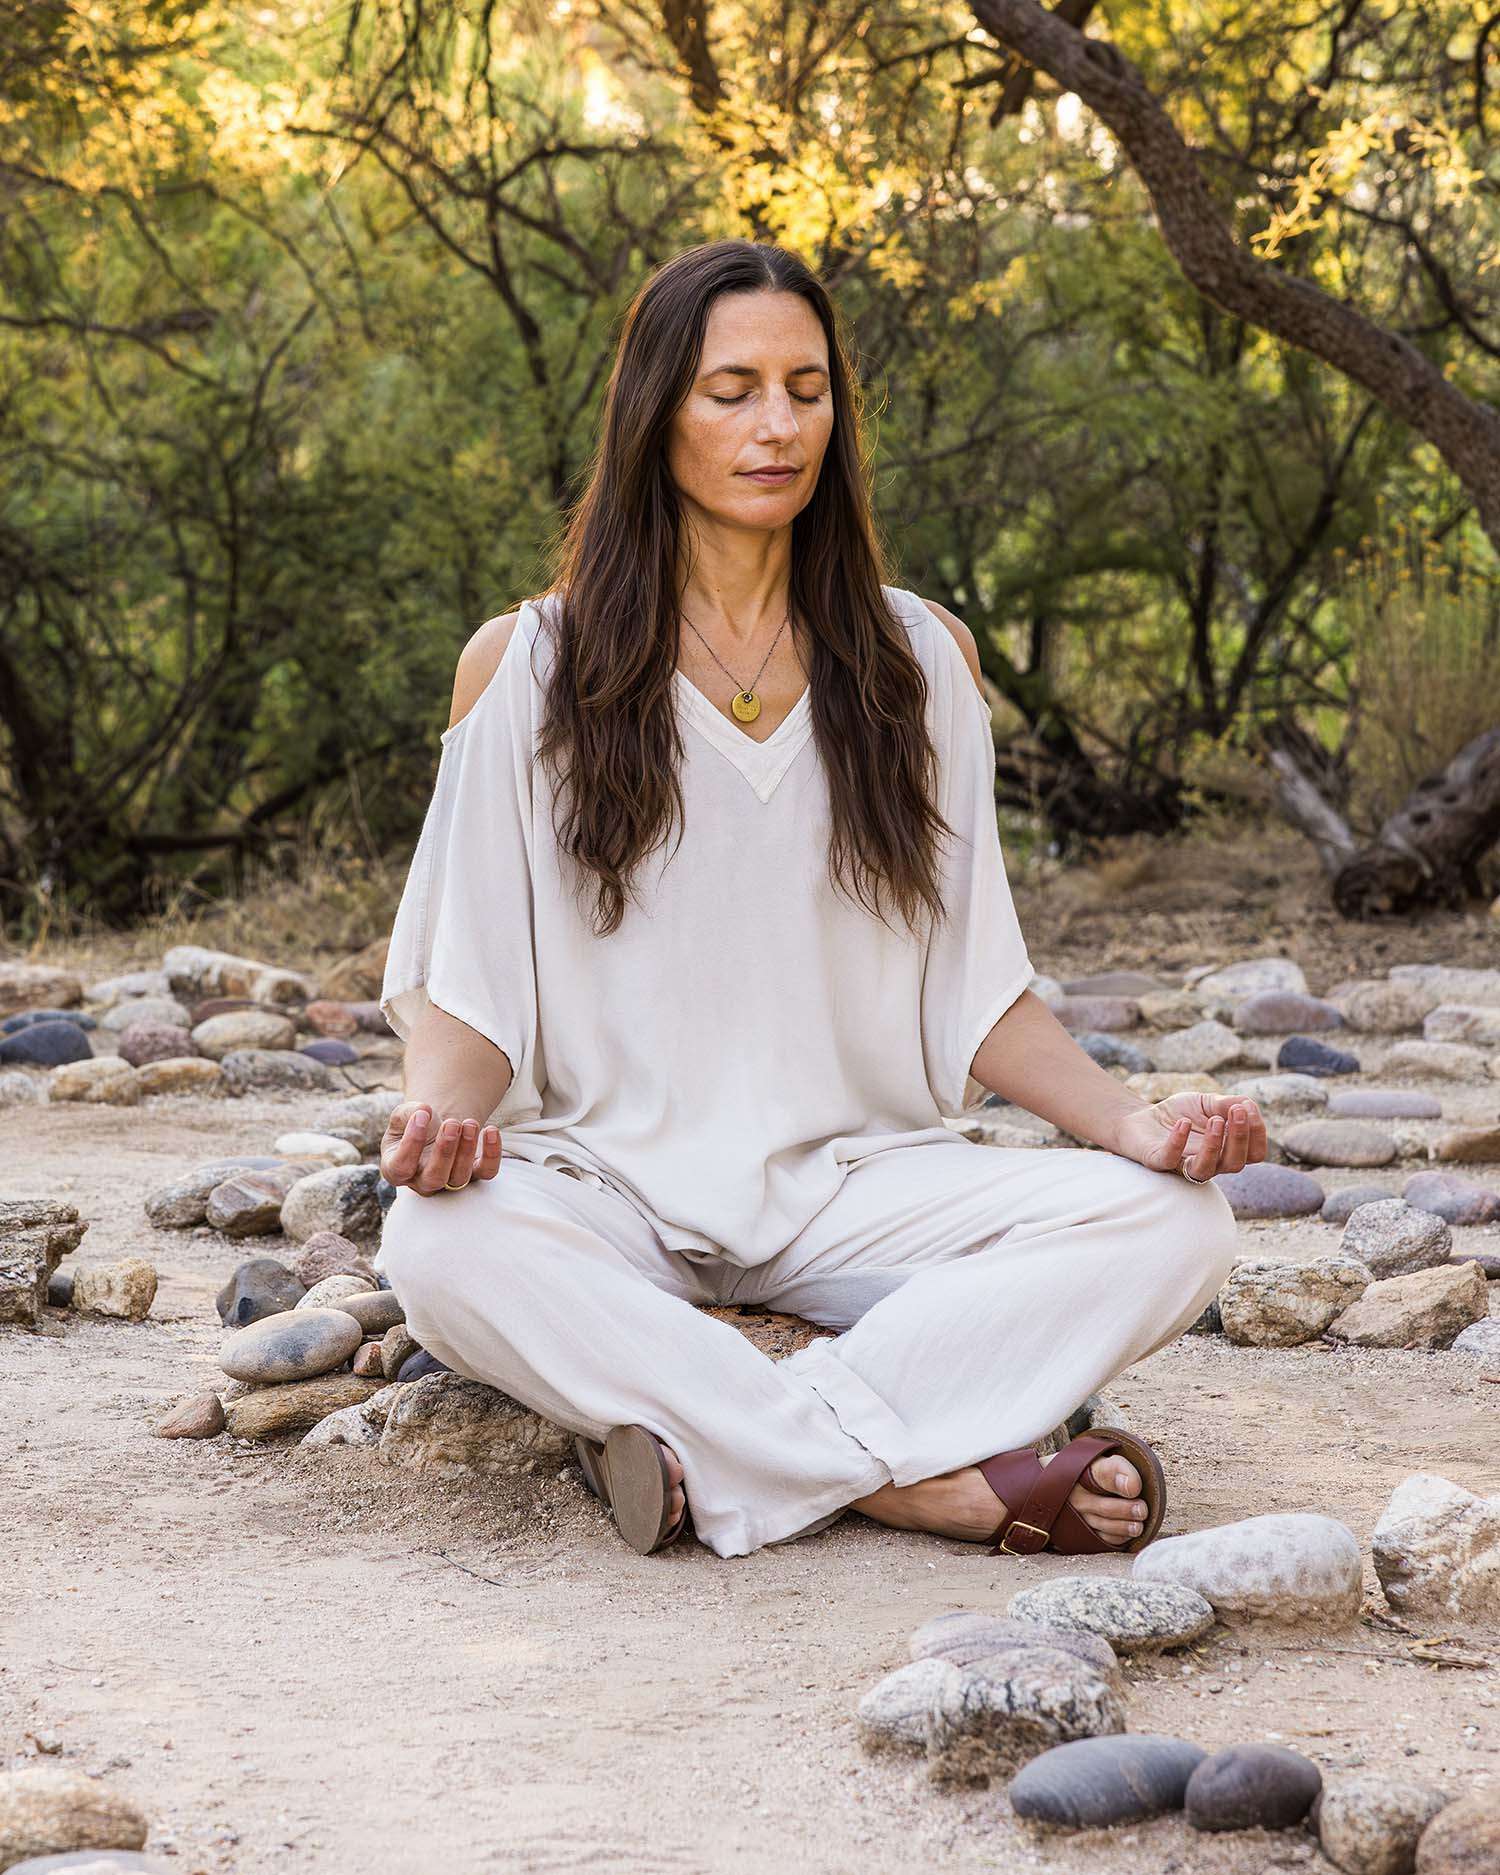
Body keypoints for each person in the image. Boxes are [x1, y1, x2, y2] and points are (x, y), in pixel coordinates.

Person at [374, 238, 1263, 1562]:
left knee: (1178, 1226)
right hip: (607, 1182)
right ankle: (901, 1473)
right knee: (441, 1250)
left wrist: (1137, 1125)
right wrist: (436, 1126)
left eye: (807, 387)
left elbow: (976, 995)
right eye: (731, 390)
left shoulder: (920, 660)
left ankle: (739, 1430)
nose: (776, 425)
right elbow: (473, 982)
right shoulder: (529, 665)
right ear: (655, 410)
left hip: (859, 1184)